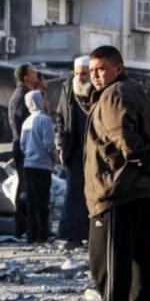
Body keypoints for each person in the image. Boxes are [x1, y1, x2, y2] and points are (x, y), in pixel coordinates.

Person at [78, 45, 150, 301]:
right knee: (140, 259)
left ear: (118, 68)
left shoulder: (113, 95)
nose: (95, 76)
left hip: (117, 191)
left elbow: (124, 138)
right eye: (92, 70)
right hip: (148, 191)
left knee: (108, 262)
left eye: (101, 69)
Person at [55, 56, 93, 248]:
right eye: (77, 73)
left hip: (95, 150)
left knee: (94, 193)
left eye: (84, 74)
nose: (80, 77)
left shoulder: (99, 90)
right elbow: (61, 118)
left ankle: (95, 235)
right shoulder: (68, 88)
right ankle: (72, 236)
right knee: (74, 192)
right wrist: (61, 144)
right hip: (74, 149)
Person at [8, 64, 42, 238]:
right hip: (24, 149)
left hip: (24, 148)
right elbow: (23, 126)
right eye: (33, 72)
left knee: (27, 188)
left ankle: (27, 226)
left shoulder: (23, 94)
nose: (37, 74)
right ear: (26, 77)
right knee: (26, 189)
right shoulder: (22, 97)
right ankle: (24, 227)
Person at [19, 90, 57, 244]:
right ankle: (42, 234)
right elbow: (49, 144)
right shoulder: (45, 120)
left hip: (29, 165)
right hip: (42, 166)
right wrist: (53, 159)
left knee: (31, 202)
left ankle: (31, 234)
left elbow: (22, 145)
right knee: (42, 201)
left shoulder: (27, 121)